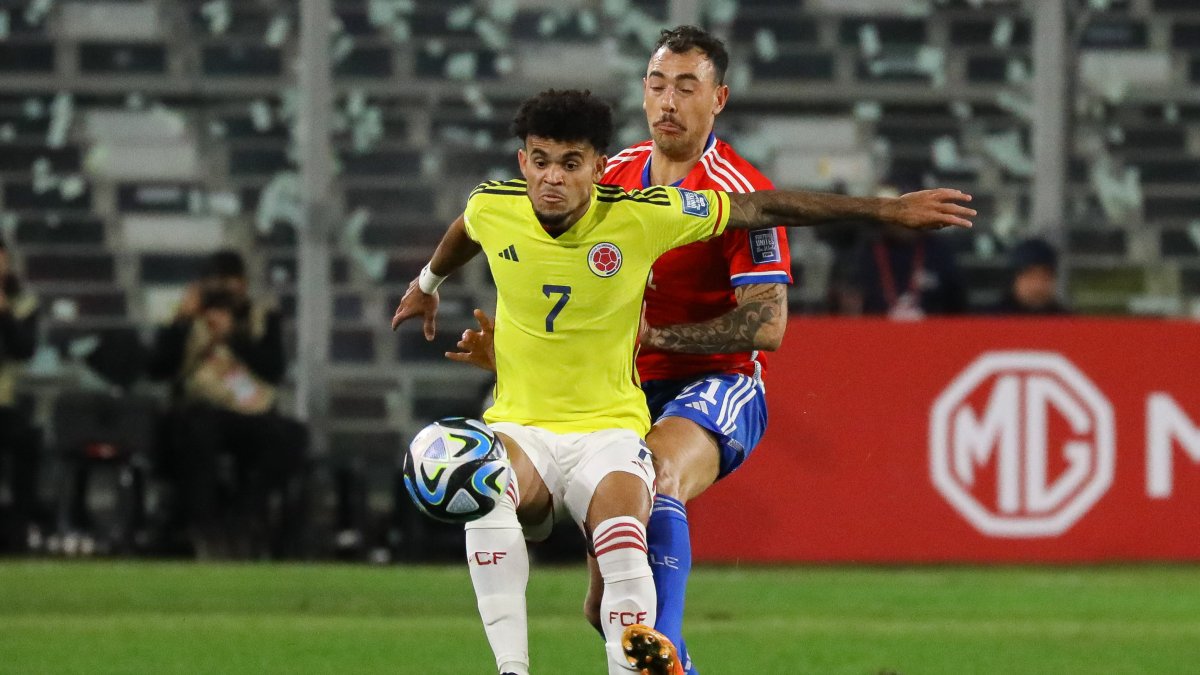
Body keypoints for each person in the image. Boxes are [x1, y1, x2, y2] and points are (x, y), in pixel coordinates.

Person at [391, 88, 973, 675]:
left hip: (611, 430)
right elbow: (466, 227)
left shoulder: (643, 215)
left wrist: (886, 211)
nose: (552, 179)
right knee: (482, 479)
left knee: (623, 549)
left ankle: (651, 662)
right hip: (525, 430)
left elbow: (762, 211)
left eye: (570, 164)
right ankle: (512, 670)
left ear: (597, 166)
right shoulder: (496, 205)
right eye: (540, 161)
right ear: (523, 163)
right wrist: (428, 282)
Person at [147, 249, 307, 558]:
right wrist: (182, 322)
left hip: (252, 413)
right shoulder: (185, 317)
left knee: (290, 437)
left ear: (243, 285)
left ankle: (248, 514)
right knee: (195, 435)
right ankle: (202, 525)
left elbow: (273, 369)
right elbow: (158, 368)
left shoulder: (262, 316)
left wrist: (233, 335)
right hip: (202, 410)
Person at [0, 235, 42, 551]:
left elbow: (24, 349)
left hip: (5, 402)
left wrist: (4, 313)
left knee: (28, 440)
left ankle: (18, 532)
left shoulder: (22, 303)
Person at [987, 237, 1069, 314]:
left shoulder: (1067, 322)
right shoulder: (990, 319)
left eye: (1045, 278)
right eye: (1031, 277)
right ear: (1013, 279)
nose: (1038, 285)